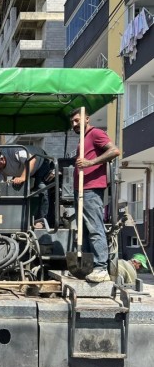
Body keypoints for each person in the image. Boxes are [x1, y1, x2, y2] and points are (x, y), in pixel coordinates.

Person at [70, 108, 120, 283]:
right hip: (81, 189)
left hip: (91, 189)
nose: (74, 124)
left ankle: (101, 268)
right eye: (73, 122)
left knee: (94, 228)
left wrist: (90, 162)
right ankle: (89, 267)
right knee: (83, 229)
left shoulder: (96, 133)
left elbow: (114, 151)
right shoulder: (83, 139)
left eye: (77, 120)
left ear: (87, 119)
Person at [0, 145, 54, 227]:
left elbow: (32, 160)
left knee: (42, 189)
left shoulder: (14, 151)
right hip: (23, 170)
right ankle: (16, 219)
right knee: (14, 191)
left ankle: (42, 221)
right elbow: (1, 186)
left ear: (2, 160)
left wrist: (23, 177)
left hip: (39, 163)